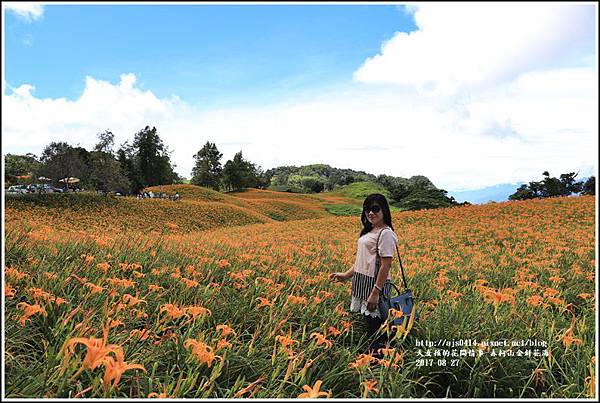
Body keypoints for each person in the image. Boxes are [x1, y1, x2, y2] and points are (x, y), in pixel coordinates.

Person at [329, 193, 399, 358]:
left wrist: (375, 292)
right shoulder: (370, 230)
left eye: (375, 209)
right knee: (370, 326)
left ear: (384, 211)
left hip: (375, 286)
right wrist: (346, 275)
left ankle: (379, 362)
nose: (371, 213)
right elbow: (363, 261)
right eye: (367, 209)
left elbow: (385, 266)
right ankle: (376, 359)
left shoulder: (386, 233)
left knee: (375, 329)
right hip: (362, 283)